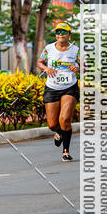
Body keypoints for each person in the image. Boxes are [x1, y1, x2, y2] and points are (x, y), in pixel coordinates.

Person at [37, 20, 80, 162]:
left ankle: (66, 151)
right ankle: (60, 133)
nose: (60, 34)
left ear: (69, 34)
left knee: (65, 119)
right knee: (52, 125)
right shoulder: (49, 48)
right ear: (56, 35)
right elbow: (40, 62)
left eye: (63, 32)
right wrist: (46, 68)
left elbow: (84, 66)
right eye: (58, 32)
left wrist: (78, 68)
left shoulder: (76, 50)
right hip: (52, 87)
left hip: (70, 87)